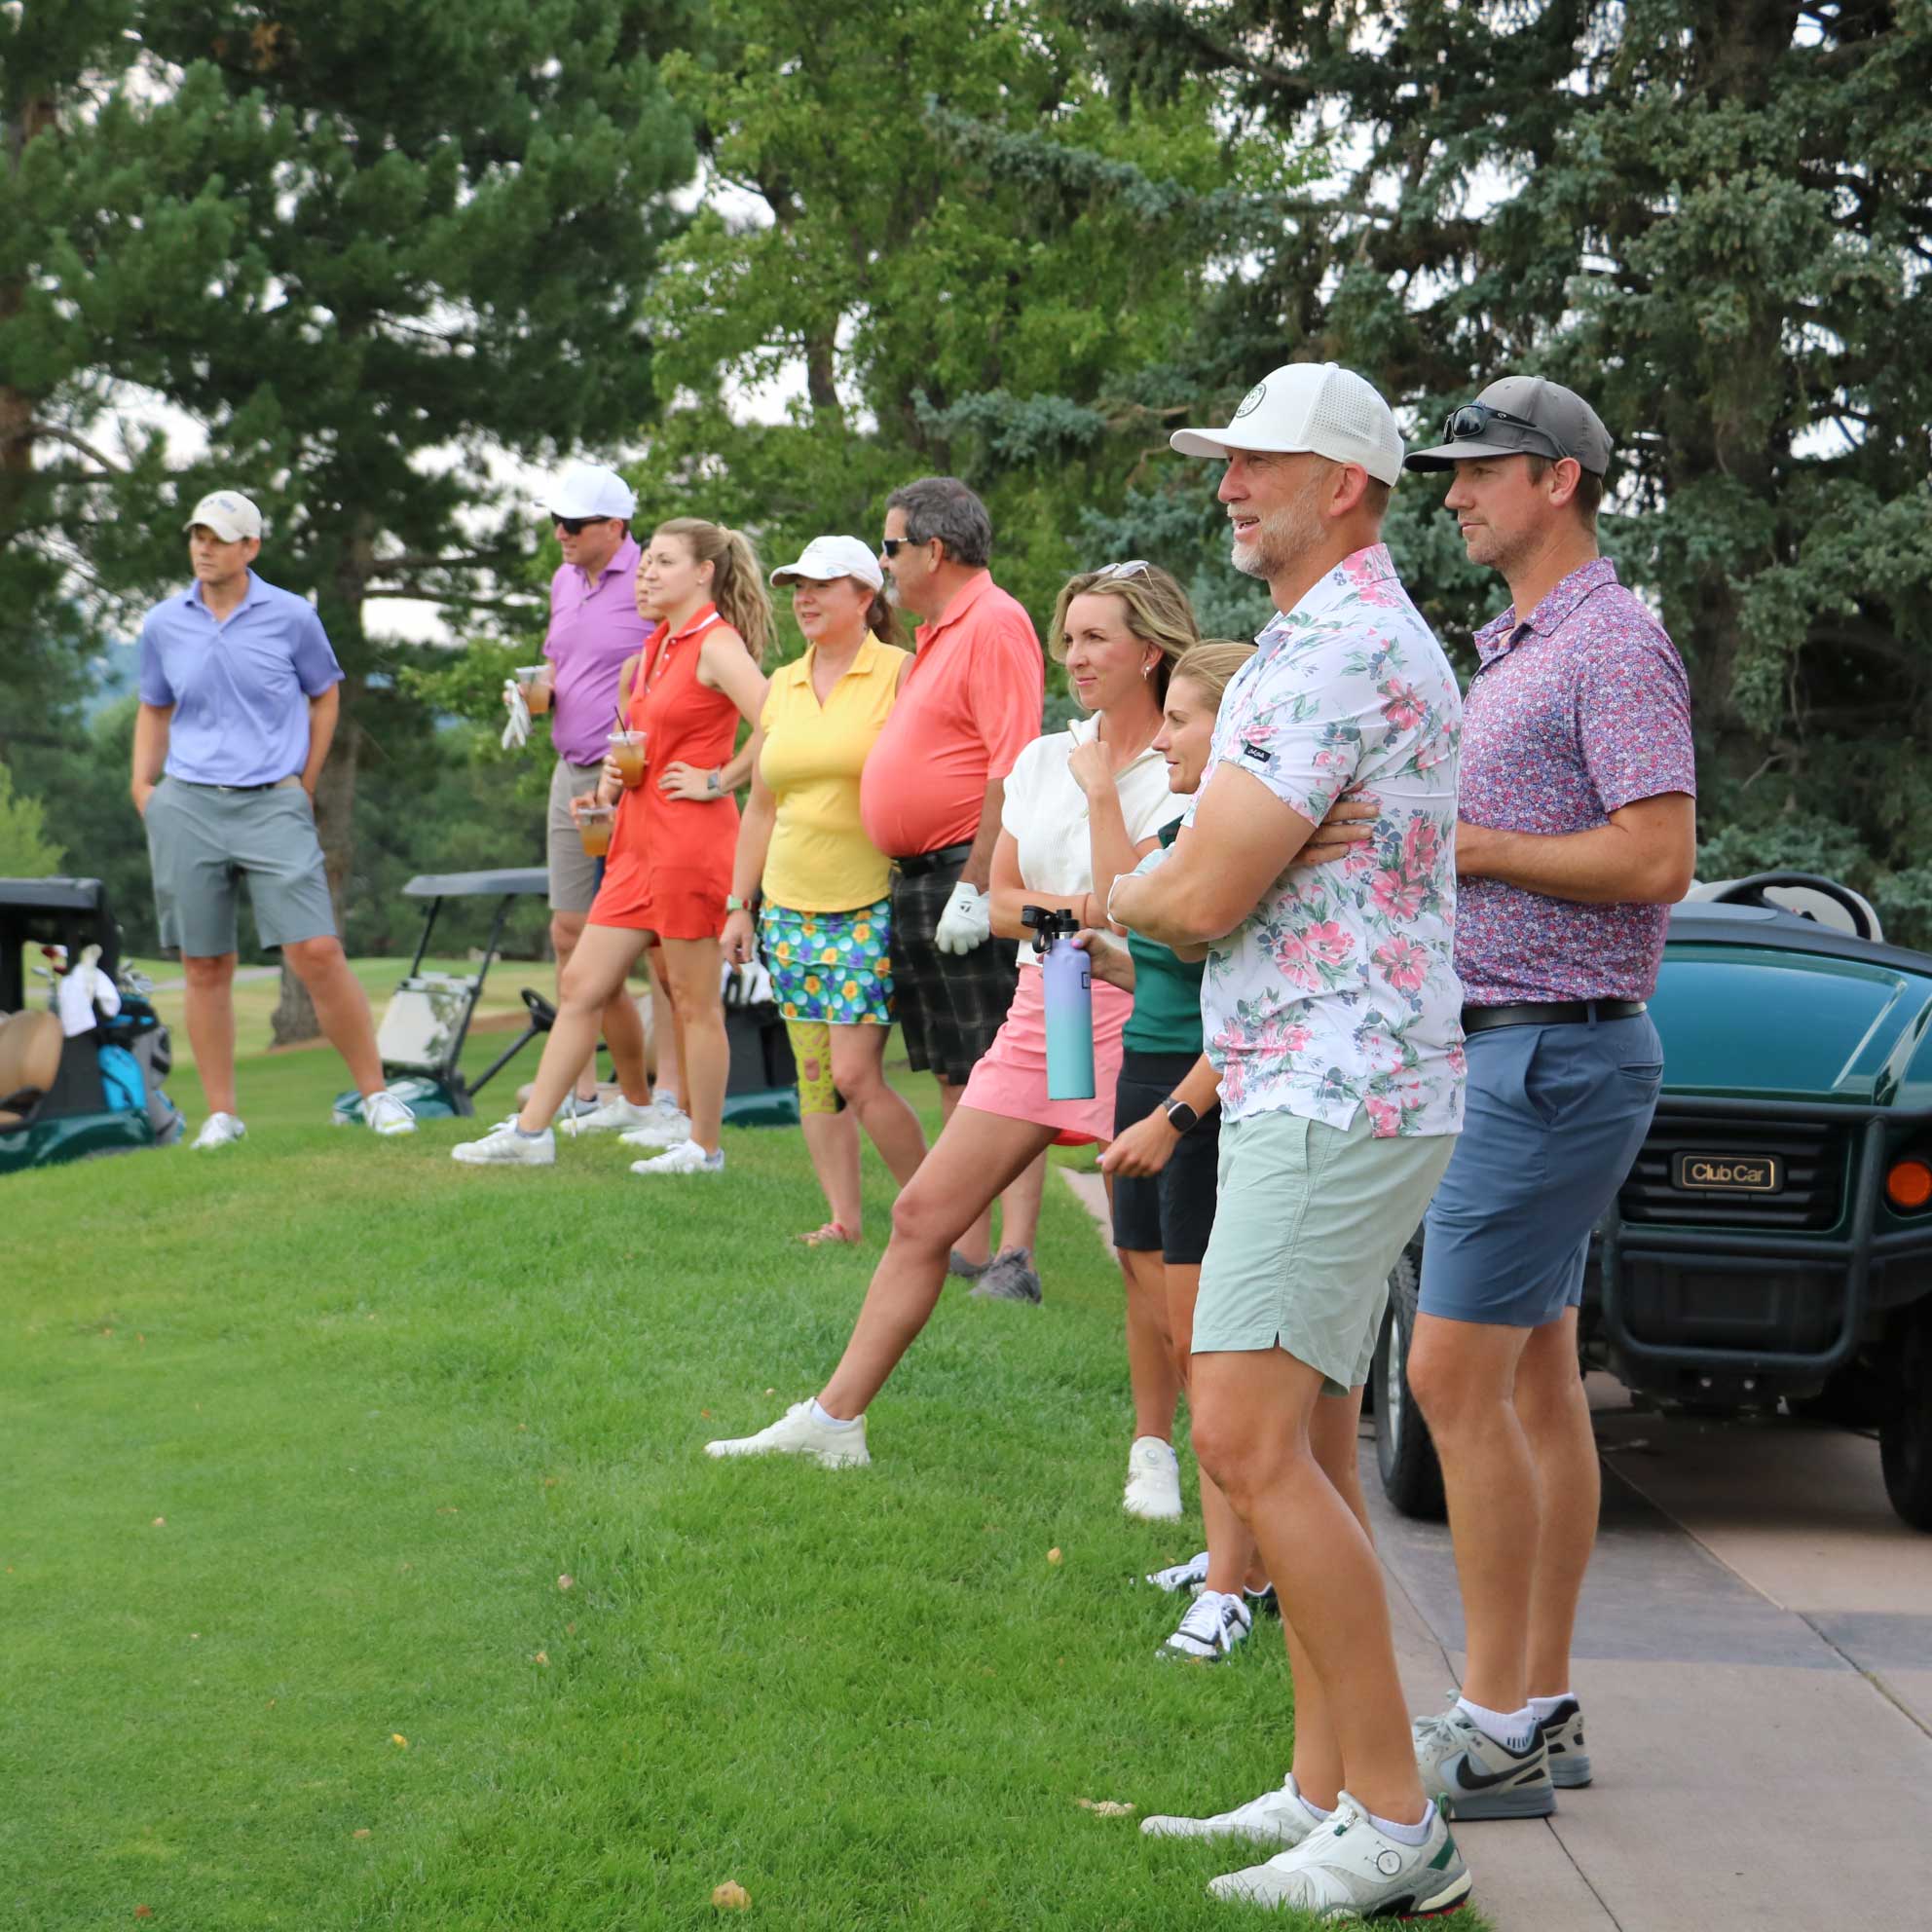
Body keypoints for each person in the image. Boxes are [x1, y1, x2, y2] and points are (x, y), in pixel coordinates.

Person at [1112, 364, 1471, 1918]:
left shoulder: (1342, 654)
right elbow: (1210, 876)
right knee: (1309, 1444)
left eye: (1257, 463)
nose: (1228, 489)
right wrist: (1189, 862)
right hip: (1311, 1079)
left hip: (1338, 1089)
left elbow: (1189, 904)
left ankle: (1400, 1829)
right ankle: (1326, 1791)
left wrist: (1137, 877)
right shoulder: (1318, 644)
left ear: (1346, 483)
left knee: (1245, 1440)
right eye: (1226, 463)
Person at [705, 561, 1196, 1467]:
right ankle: (834, 1423)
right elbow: (1001, 903)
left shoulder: (1185, 766)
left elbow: (1157, 909)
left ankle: (1157, 1452)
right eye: (1070, 636)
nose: (1074, 656)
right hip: (1042, 1002)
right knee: (925, 1213)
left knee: (1146, 1254)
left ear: (1152, 651)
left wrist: (1094, 870)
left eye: (1097, 639)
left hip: (1138, 1014)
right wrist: (1077, 913)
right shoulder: (1047, 758)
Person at [1396, 377, 1694, 1809]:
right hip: (1519, 1048)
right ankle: (1544, 1705)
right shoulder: (1519, 642)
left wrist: (1483, 849)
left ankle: (1496, 1723)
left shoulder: (1614, 643)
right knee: (1526, 1374)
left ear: (1558, 480)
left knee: (1449, 1377)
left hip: (1548, 1052)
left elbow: (1655, 862)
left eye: (1479, 470)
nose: (1454, 493)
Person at [453, 518, 771, 1173]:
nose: (648, 572)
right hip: (632, 845)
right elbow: (636, 745)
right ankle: (532, 1132)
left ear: (703, 572)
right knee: (581, 984)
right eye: (647, 561)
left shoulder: (717, 644)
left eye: (663, 562)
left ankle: (704, 1148)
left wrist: (721, 779)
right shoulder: (654, 648)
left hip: (690, 847)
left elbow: (780, 719)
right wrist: (605, 795)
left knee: (692, 1002)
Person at [130, 490, 415, 1147]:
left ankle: (376, 1095)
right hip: (189, 802)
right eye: (197, 535)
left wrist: (303, 783)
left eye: (219, 537)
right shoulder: (164, 623)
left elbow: (325, 695)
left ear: (250, 547)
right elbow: (154, 704)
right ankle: (223, 1116)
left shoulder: (291, 617)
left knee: (315, 949)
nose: (204, 547)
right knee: (205, 964)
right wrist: (144, 786)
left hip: (271, 799)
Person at [856, 478, 1049, 1299]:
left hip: (963, 872)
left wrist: (977, 886)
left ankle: (1015, 1256)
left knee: (1001, 1062)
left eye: (891, 547)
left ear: (935, 551)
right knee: (953, 1065)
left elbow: (1013, 763)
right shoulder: (935, 633)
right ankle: (968, 1245)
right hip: (917, 875)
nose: (884, 564)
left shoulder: (995, 622)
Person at [722, 536, 927, 1243]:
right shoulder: (781, 684)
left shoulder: (902, 673)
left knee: (856, 1074)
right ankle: (843, 1220)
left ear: (866, 598)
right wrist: (738, 905)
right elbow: (761, 806)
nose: (803, 598)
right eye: (795, 586)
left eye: (821, 585)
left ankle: (944, 1220)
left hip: (869, 902)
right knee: (815, 1075)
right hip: (787, 907)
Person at [514, 463, 655, 1128]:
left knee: (656, 945)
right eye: (555, 522)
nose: (560, 534)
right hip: (570, 773)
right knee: (571, 932)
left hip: (635, 777)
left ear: (615, 526)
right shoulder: (564, 580)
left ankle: (669, 1100)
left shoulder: (651, 580)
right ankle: (606, 1093)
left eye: (572, 524)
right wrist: (535, 689)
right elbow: (558, 659)